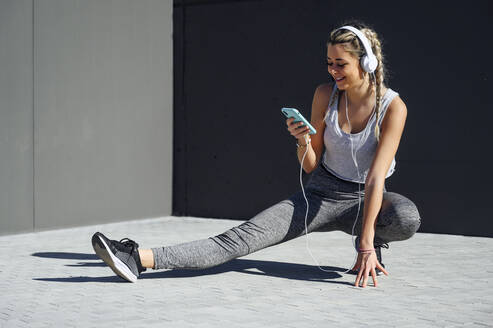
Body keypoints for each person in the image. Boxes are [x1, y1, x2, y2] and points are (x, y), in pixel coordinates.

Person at [91, 20, 421, 288]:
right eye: (329, 63)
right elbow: (310, 166)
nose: (333, 71)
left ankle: (373, 241)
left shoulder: (392, 108)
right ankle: (137, 257)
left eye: (341, 64)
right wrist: (303, 141)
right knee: (237, 240)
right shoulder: (326, 95)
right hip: (320, 193)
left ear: (366, 63)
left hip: (367, 198)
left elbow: (377, 177)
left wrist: (364, 244)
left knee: (406, 218)